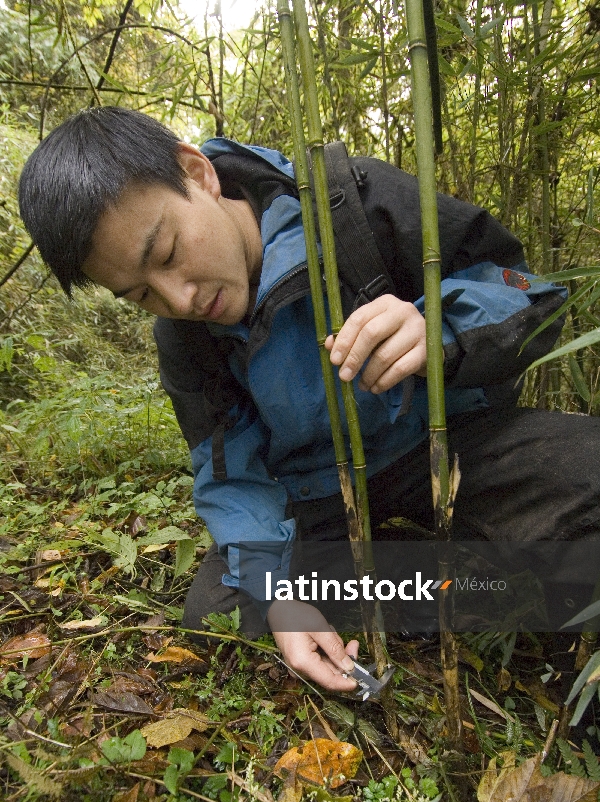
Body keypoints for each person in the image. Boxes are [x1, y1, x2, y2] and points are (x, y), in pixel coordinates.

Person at [19, 107, 600, 693]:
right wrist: (279, 597)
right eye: (142, 293)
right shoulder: (183, 337)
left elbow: (531, 296)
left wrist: (438, 326)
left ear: (197, 173)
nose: (180, 298)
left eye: (167, 253)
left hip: (447, 444)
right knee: (219, 608)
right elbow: (231, 475)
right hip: (320, 496)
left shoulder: (353, 205)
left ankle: (433, 581)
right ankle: (462, 581)